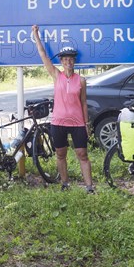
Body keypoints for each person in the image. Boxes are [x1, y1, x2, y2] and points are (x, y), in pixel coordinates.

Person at [32, 25, 94, 193]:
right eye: (65, 59)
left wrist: (86, 123)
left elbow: (83, 102)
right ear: (61, 61)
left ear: (74, 61)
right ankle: (65, 184)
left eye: (71, 59)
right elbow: (43, 55)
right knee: (60, 154)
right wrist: (36, 35)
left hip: (77, 123)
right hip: (58, 122)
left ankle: (89, 187)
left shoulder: (80, 80)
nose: (68, 62)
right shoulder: (56, 75)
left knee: (82, 154)